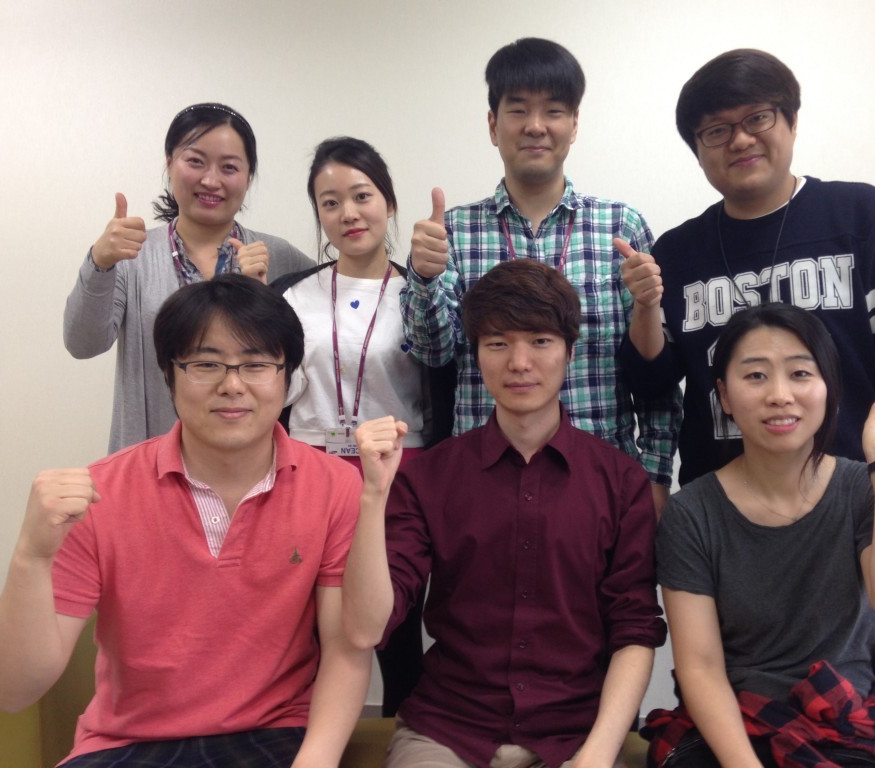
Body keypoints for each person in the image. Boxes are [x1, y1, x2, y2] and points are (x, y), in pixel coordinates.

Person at [0, 275, 370, 766]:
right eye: (205, 364)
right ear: (169, 375)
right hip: (128, 745)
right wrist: (31, 556)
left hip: (274, 736)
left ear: (288, 377)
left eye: (256, 364)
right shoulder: (98, 494)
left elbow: (346, 648)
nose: (232, 385)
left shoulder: (335, 486)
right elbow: (13, 692)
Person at [345, 260, 666, 768]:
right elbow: (367, 630)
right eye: (497, 343)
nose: (519, 362)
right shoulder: (431, 477)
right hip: (449, 729)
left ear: (570, 351)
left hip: (577, 733)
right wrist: (372, 496)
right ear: (475, 354)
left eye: (540, 341)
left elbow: (635, 627)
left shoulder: (620, 481)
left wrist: (598, 754)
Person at [620, 49, 875, 488]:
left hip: (852, 489)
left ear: (792, 121)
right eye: (717, 131)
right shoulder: (678, 250)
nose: (741, 140)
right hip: (719, 500)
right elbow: (652, 380)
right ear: (697, 150)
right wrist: (645, 306)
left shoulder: (861, 216)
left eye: (757, 118)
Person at [642, 303, 875, 768]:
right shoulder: (691, 513)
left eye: (800, 373)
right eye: (755, 376)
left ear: (828, 387)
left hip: (848, 719)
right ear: (724, 395)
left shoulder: (863, 488)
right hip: (733, 724)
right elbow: (701, 667)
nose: (780, 395)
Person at [403, 37, 678, 513]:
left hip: (601, 482)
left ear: (574, 125)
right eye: (518, 110)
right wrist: (423, 279)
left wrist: (654, 476)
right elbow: (434, 353)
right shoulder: (454, 232)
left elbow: (655, 379)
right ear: (493, 125)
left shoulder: (621, 226)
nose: (535, 126)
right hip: (483, 482)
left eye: (553, 111)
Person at [272, 136, 450, 716]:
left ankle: (404, 735)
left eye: (362, 196)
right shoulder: (291, 296)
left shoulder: (420, 293)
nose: (348, 213)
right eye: (330, 202)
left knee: (394, 623)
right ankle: (306, 737)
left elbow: (441, 385)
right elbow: (276, 393)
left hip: (400, 472)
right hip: (310, 472)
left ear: (389, 203)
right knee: (311, 624)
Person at [64, 102, 313, 454]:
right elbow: (82, 343)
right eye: (195, 161)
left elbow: (313, 362)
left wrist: (263, 296)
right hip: (152, 463)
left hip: (249, 465)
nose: (210, 180)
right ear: (169, 163)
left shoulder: (280, 257)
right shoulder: (132, 256)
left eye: (229, 167)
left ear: (249, 177)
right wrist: (100, 263)